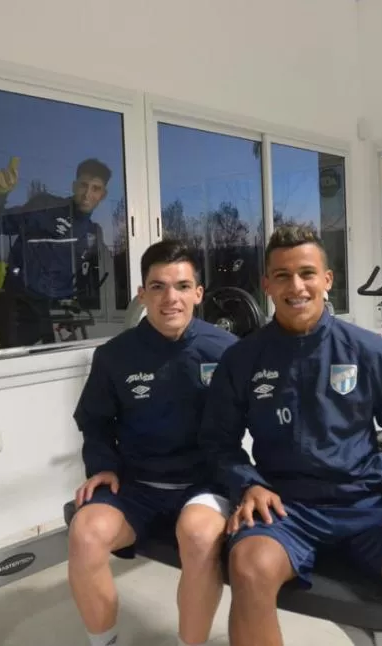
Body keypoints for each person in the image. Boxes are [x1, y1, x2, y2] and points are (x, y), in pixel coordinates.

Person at [199, 225, 382, 646]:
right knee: (249, 568)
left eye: (308, 273)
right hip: (285, 509)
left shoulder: (367, 350)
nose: (297, 286)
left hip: (368, 504)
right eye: (283, 276)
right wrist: (248, 484)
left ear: (327, 280)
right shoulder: (242, 359)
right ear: (267, 285)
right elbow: (217, 442)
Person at [69, 239, 239, 646]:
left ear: (198, 293)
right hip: (136, 486)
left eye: (182, 286)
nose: (171, 299)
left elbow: (260, 419)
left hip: (203, 483)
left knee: (198, 537)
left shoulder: (227, 351)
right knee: (85, 533)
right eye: (158, 286)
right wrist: (102, 466)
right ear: (142, 293)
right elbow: (94, 421)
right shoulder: (114, 356)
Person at [0, 157, 110, 348]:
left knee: (57, 372)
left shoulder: (93, 234)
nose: (87, 194)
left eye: (96, 188)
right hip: (20, 306)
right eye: (84, 185)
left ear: (103, 195)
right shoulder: (45, 207)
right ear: (74, 186)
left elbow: (86, 281)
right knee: (16, 371)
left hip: (57, 313)